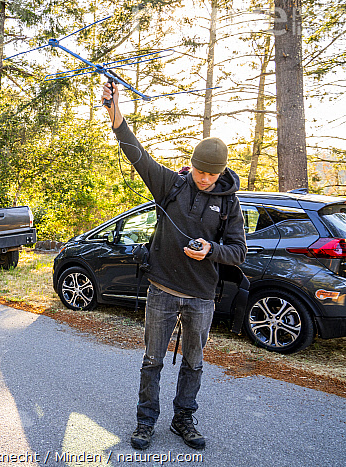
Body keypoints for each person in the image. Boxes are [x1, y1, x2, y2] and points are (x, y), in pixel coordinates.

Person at [101, 82, 247, 450]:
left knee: (194, 364)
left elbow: (238, 252)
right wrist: (114, 111)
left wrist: (210, 250)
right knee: (152, 361)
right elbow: (137, 154)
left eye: (211, 173)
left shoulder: (230, 204)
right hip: (162, 291)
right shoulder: (171, 185)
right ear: (193, 164)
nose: (205, 178)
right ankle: (145, 421)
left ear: (221, 172)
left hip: (201, 297)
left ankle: (184, 419)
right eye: (200, 170)